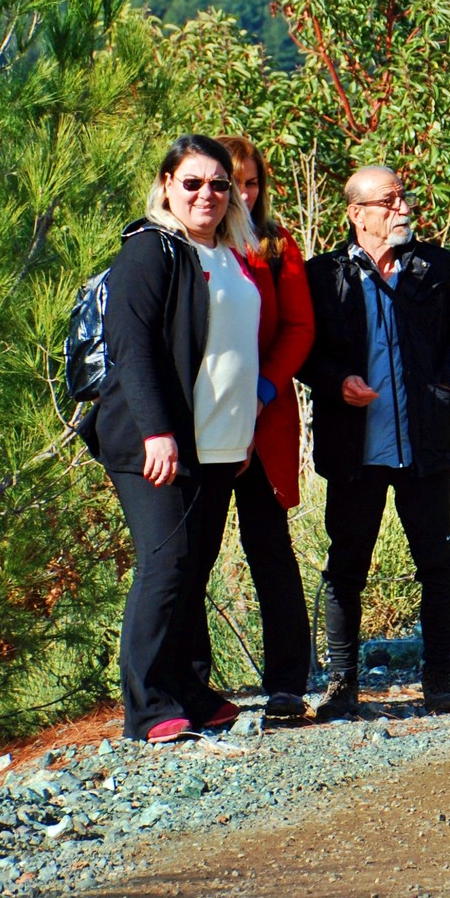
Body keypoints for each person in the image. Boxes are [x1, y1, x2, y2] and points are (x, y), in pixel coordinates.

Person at [81, 135, 262, 742]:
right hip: (152, 442)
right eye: (192, 183)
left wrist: (238, 437)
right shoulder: (151, 250)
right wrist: (158, 432)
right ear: (166, 186)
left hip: (214, 446)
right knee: (165, 565)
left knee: (193, 568)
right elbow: (132, 348)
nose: (206, 194)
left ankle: (190, 690)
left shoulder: (228, 253)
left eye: (218, 184)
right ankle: (150, 707)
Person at [303, 165, 450, 718]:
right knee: (347, 565)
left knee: (437, 562)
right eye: (388, 200)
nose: (403, 207)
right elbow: (303, 352)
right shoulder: (323, 276)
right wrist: (336, 382)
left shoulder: (433, 266)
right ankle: (342, 684)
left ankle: (439, 678)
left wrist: (445, 390)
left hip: (424, 446)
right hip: (356, 450)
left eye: (404, 197)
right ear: (357, 214)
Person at [178, 136, 317, 721]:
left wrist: (261, 391)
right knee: (194, 553)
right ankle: (193, 686)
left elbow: (299, 327)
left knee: (270, 549)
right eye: (231, 181)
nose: (240, 192)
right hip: (202, 423)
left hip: (264, 421)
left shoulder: (276, 245)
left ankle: (287, 681)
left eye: (251, 182)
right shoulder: (188, 244)